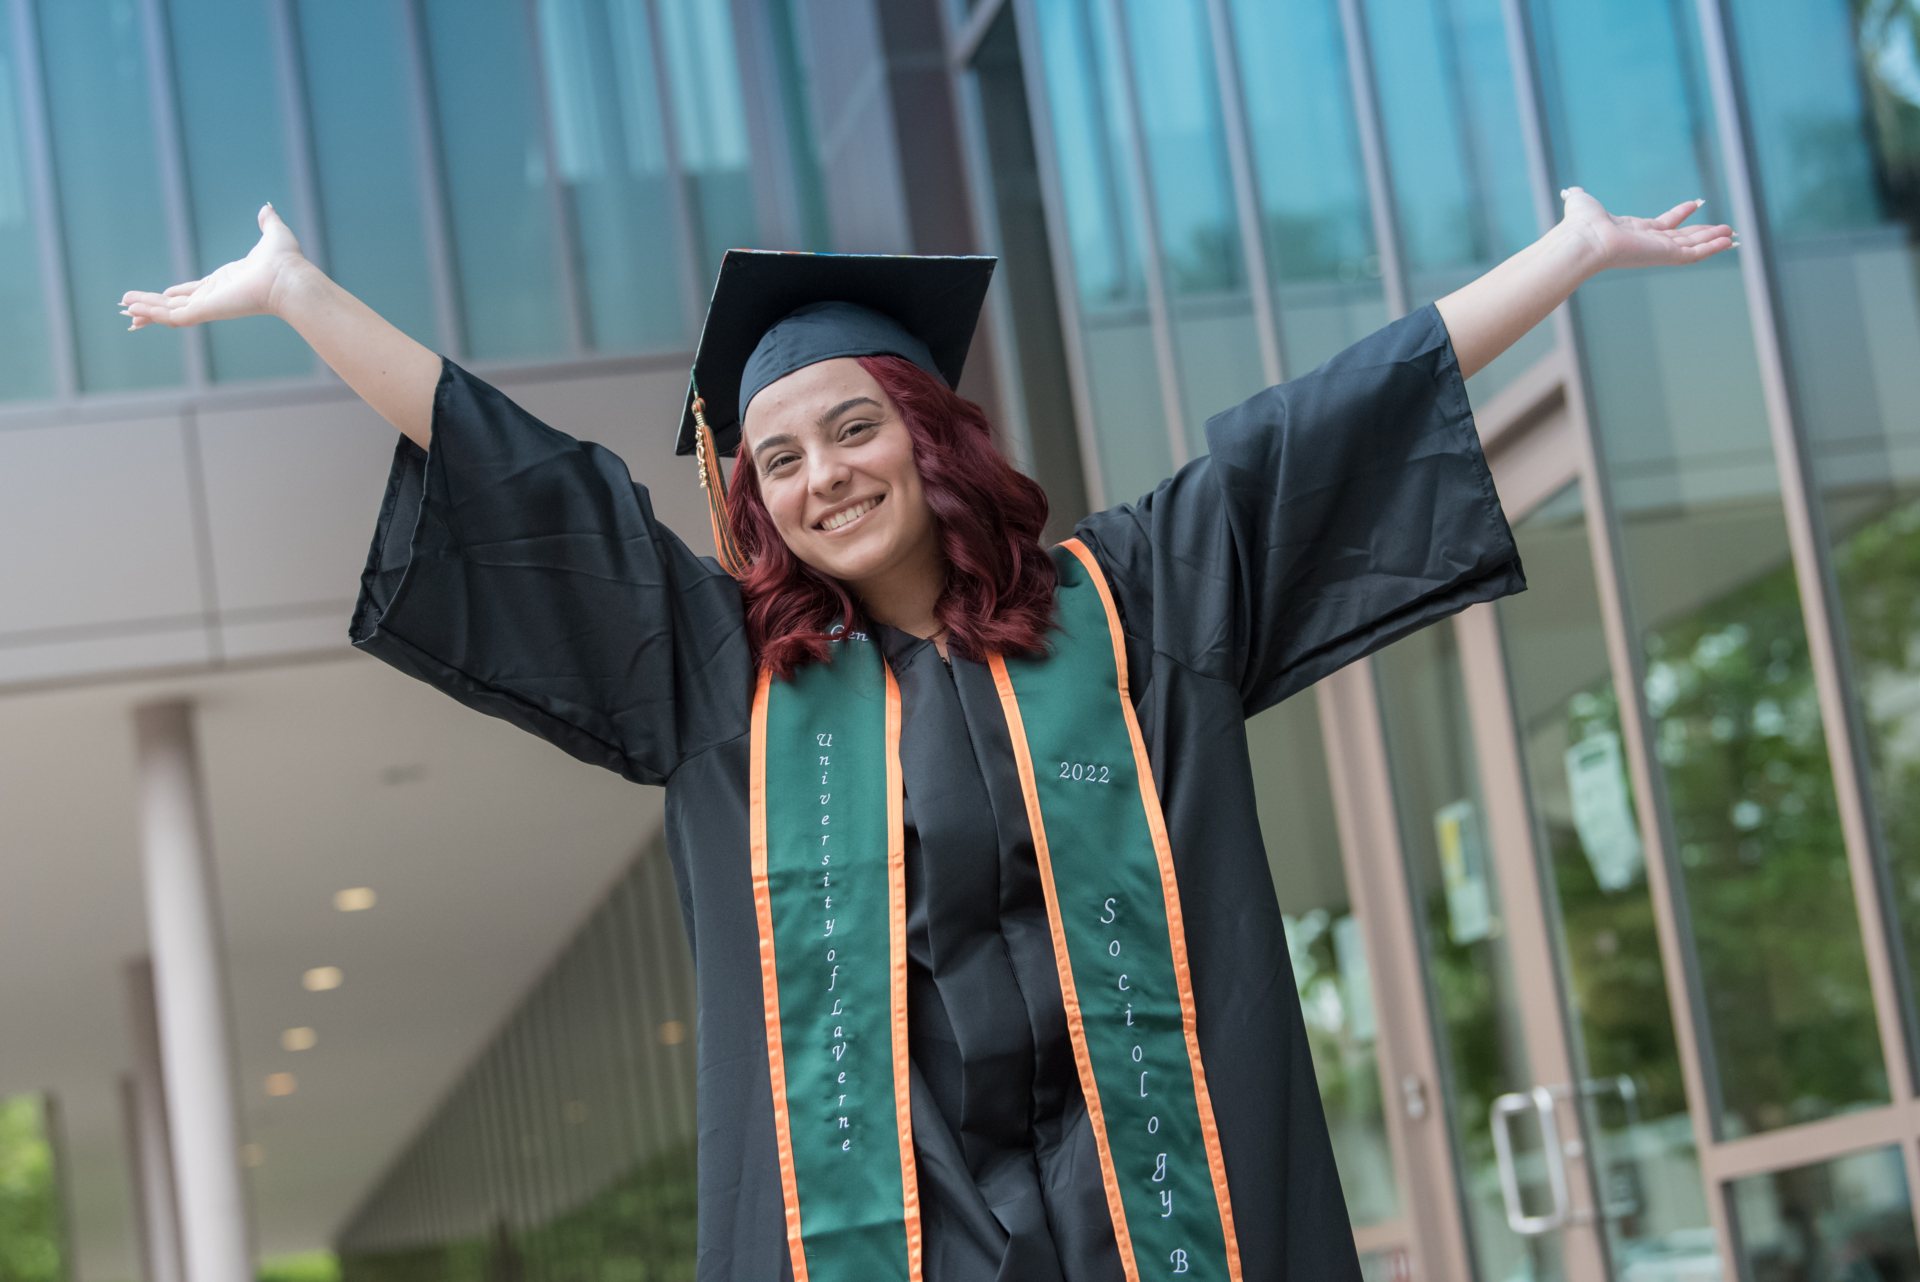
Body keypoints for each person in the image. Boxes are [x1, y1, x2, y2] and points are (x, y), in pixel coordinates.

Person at [119, 190, 1734, 1281]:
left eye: (851, 426)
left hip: (1149, 1215)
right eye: (780, 459)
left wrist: (1566, 258)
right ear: (750, 498)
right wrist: (303, 295)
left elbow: (1320, 430)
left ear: (925, 432)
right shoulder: (724, 675)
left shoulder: (1133, 601)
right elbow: (531, 481)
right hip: (897, 1238)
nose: (823, 474)